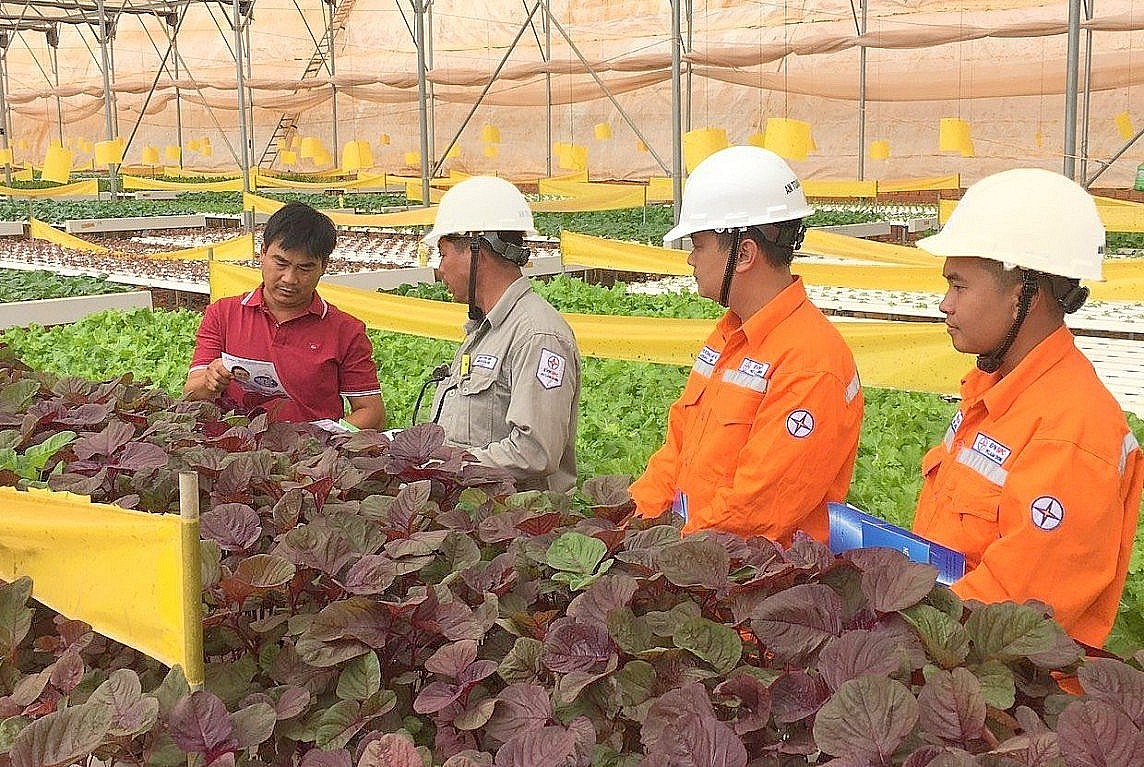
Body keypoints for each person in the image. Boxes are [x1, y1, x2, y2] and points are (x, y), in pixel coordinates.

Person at [912, 168, 1142, 649]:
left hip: (1009, 704)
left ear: (1024, 292)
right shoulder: (998, 390)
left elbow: (1013, 611)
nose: (943, 304)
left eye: (960, 285)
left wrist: (900, 620)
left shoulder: (1071, 433)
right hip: (946, 660)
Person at [629, 146, 863, 545]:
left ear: (744, 253)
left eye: (698, 245)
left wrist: (666, 552)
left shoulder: (809, 363)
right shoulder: (728, 335)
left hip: (752, 582)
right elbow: (676, 451)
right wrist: (631, 524)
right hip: (694, 558)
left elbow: (756, 511)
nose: (690, 260)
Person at [423, 176, 580, 493]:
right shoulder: (485, 330)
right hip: (475, 520)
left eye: (443, 253)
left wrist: (450, 466)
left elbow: (535, 452)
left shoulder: (538, 336)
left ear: (476, 249)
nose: (440, 269)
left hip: (513, 531)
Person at [184, 201, 386, 429]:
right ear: (262, 253)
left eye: (305, 268)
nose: (290, 278)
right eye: (280, 262)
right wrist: (210, 381)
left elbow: (371, 412)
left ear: (324, 266)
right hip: (239, 450)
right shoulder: (223, 314)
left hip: (313, 456)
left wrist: (325, 439)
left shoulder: (346, 330)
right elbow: (192, 391)